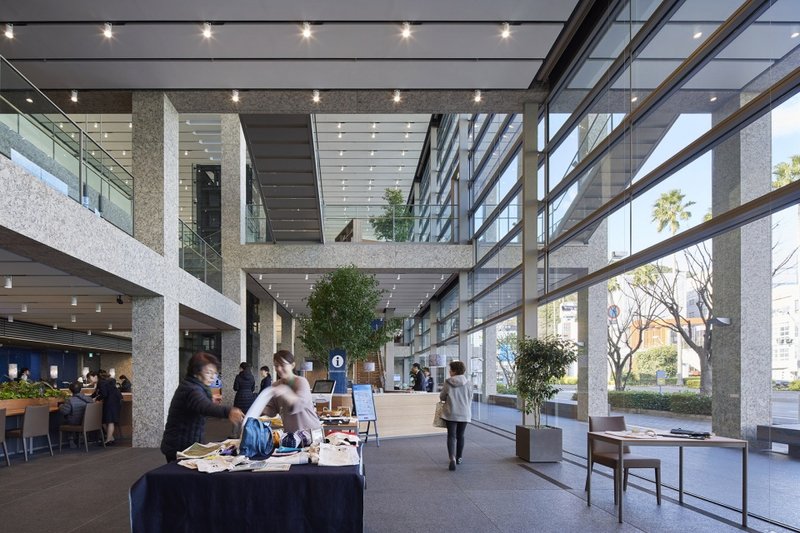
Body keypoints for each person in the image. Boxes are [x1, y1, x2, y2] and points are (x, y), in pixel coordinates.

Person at [160, 352, 244, 463]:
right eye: (209, 372)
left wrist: (210, 398)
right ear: (196, 372)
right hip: (180, 445)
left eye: (215, 373)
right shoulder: (192, 389)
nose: (213, 377)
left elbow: (198, 403)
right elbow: (205, 406)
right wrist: (228, 411)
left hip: (185, 443)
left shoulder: (193, 386)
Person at [261, 350, 321, 434]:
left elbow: (298, 404)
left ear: (292, 365)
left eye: (282, 365)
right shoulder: (276, 385)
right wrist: (257, 408)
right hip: (291, 435)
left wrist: (285, 392)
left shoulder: (301, 382)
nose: (278, 368)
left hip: (310, 434)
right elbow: (272, 411)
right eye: (276, 365)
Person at [439, 360, 471, 471]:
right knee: (460, 436)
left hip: (451, 412)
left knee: (451, 436)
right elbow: (470, 398)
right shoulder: (468, 382)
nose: (449, 372)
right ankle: (459, 458)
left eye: (450, 370)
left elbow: (442, 397)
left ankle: (452, 458)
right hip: (464, 413)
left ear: (454, 371)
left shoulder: (448, 382)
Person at [93, 369, 123, 445]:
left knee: (110, 421)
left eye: (89, 378)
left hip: (112, 401)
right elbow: (97, 392)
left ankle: (108, 440)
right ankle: (111, 438)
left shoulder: (101, 382)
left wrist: (96, 399)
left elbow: (104, 394)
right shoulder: (103, 382)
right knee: (104, 420)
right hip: (115, 400)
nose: (89, 380)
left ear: (95, 376)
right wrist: (91, 397)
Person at [59, 382, 94, 448]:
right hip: (87, 422)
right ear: (80, 389)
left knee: (66, 419)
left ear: (70, 390)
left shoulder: (70, 400)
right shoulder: (89, 399)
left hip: (75, 422)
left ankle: (71, 439)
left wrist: (60, 406)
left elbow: (64, 412)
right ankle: (81, 437)